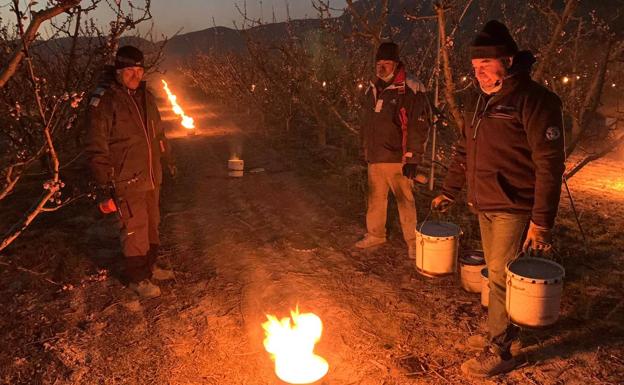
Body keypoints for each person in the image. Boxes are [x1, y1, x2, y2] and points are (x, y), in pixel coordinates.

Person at [432, 20, 566, 377]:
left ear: (507, 61)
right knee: (495, 274)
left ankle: (503, 350)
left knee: (501, 278)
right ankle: (502, 331)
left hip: (514, 204)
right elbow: (464, 150)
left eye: (485, 66)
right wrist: (450, 190)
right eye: (474, 67)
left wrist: (541, 221)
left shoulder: (534, 101)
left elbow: (550, 165)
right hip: (485, 202)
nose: (478, 73)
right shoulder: (479, 101)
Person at [85, 45, 176, 299]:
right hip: (125, 178)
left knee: (151, 223)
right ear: (117, 70)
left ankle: (150, 266)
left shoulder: (146, 96)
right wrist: (105, 186)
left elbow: (157, 133)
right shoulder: (104, 101)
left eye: (139, 70)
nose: (135, 75)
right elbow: (96, 147)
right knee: (134, 227)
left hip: (150, 174)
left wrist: (166, 157)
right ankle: (138, 278)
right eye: (129, 70)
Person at [355, 42, 431, 259]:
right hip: (376, 156)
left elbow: (418, 125)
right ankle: (376, 235)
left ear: (396, 64)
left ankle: (413, 244)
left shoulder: (410, 88)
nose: (381, 67)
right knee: (375, 199)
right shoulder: (374, 87)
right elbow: (367, 122)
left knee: (404, 200)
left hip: (398, 157)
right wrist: (365, 149)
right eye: (378, 63)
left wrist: (413, 157)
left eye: (386, 63)